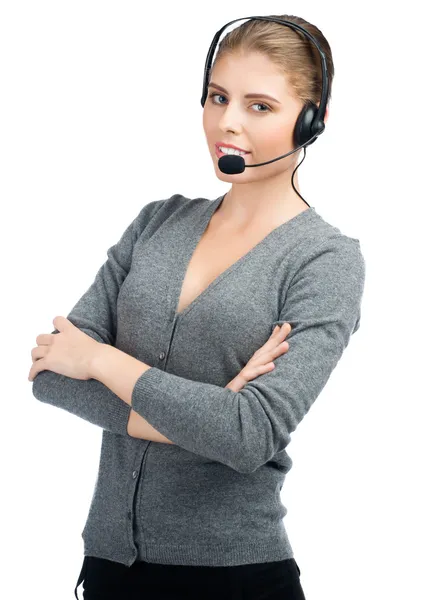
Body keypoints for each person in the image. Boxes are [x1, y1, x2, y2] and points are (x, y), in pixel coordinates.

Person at [30, 14, 363, 600]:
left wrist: (104, 361)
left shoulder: (324, 261)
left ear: (312, 121)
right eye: (217, 96)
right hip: (109, 565)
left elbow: (250, 434)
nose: (227, 122)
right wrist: (209, 416)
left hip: (234, 578)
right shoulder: (158, 222)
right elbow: (51, 375)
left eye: (259, 106)